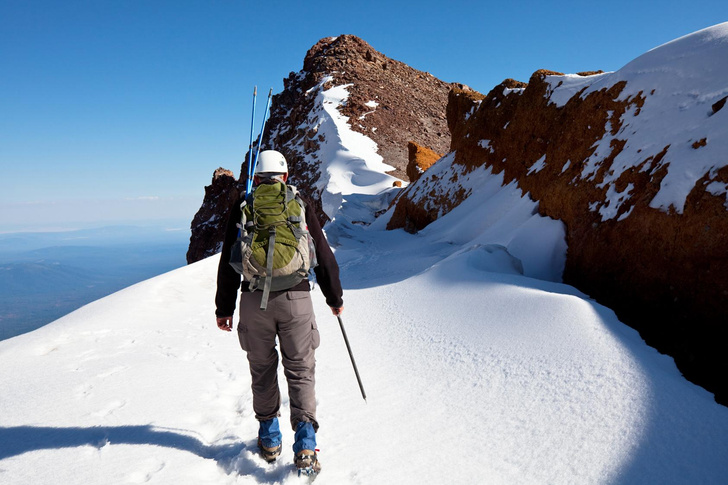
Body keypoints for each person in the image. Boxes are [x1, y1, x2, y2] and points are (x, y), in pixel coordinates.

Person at [214, 149, 343, 473]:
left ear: (257, 177)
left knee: (262, 370)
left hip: (253, 302)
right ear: (284, 176)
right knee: (300, 370)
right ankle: (305, 445)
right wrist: (334, 297)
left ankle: (270, 439)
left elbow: (228, 263)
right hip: (296, 301)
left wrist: (224, 308)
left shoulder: (245, 206)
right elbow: (323, 254)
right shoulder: (298, 204)